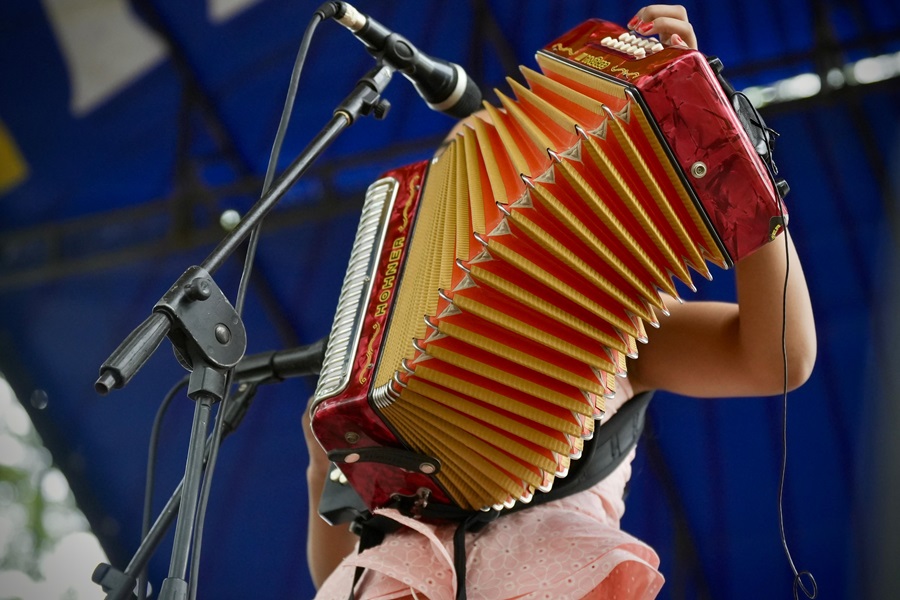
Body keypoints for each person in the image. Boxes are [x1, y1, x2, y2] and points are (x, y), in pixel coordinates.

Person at [302, 5, 817, 599]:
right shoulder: (377, 377)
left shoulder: (621, 325)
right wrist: (322, 466)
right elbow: (340, 578)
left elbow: (778, 358)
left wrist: (729, 155)